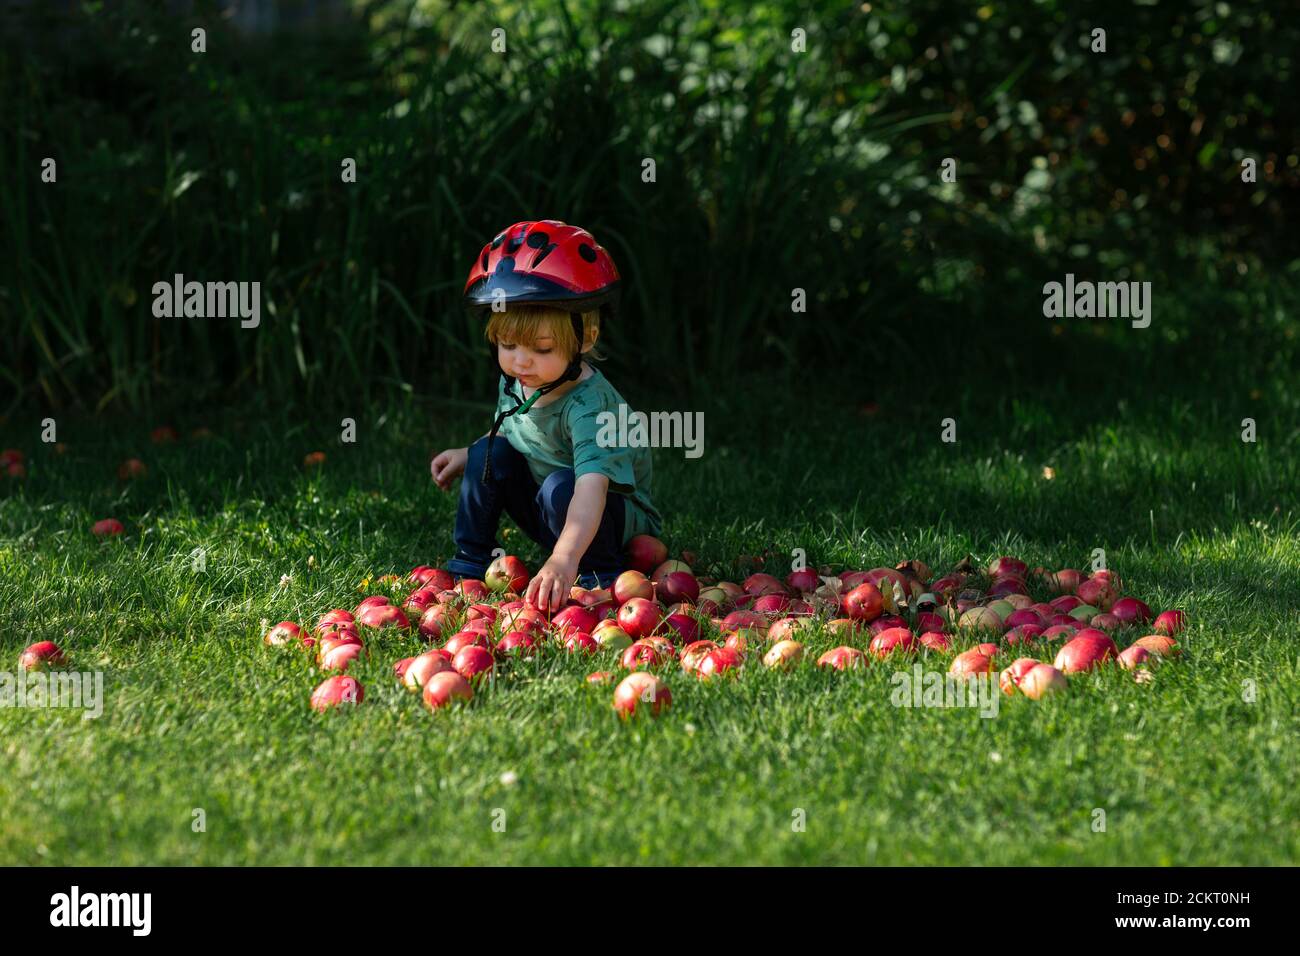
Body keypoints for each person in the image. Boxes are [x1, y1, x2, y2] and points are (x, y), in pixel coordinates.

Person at [430, 219, 662, 611]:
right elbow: (514, 437)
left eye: (541, 348)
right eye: (507, 344)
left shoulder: (591, 407)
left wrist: (563, 559)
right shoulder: (522, 380)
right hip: (554, 509)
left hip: (608, 522)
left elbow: (591, 490)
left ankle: (598, 576)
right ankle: (469, 569)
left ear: (583, 339)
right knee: (491, 450)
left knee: (561, 486)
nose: (521, 361)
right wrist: (468, 454)